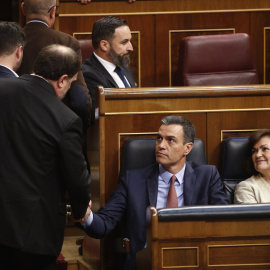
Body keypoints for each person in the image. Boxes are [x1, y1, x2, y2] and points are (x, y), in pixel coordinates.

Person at [77, 115, 229, 270]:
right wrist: (86, 215)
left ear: (187, 148)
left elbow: (225, 222)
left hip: (193, 261)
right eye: (159, 138)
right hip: (145, 263)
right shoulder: (133, 180)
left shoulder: (208, 176)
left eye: (170, 140)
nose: (161, 145)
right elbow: (104, 224)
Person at [0, 44, 91, 270]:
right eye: (70, 84)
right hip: (33, 234)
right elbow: (77, 179)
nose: (68, 89)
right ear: (62, 80)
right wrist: (80, 210)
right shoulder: (66, 119)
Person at [18, 0, 92, 171]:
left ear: (23, 9)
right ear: (53, 12)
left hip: (17, 134)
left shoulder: (11, 40)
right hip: (57, 137)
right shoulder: (66, 42)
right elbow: (81, 101)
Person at [82, 16, 136, 119]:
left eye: (130, 41)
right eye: (124, 42)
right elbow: (100, 117)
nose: (131, 48)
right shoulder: (88, 74)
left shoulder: (125, 69)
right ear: (104, 45)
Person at [234, 129, 270, 204]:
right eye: (254, 151)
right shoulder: (246, 187)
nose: (257, 155)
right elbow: (254, 216)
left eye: (265, 149)